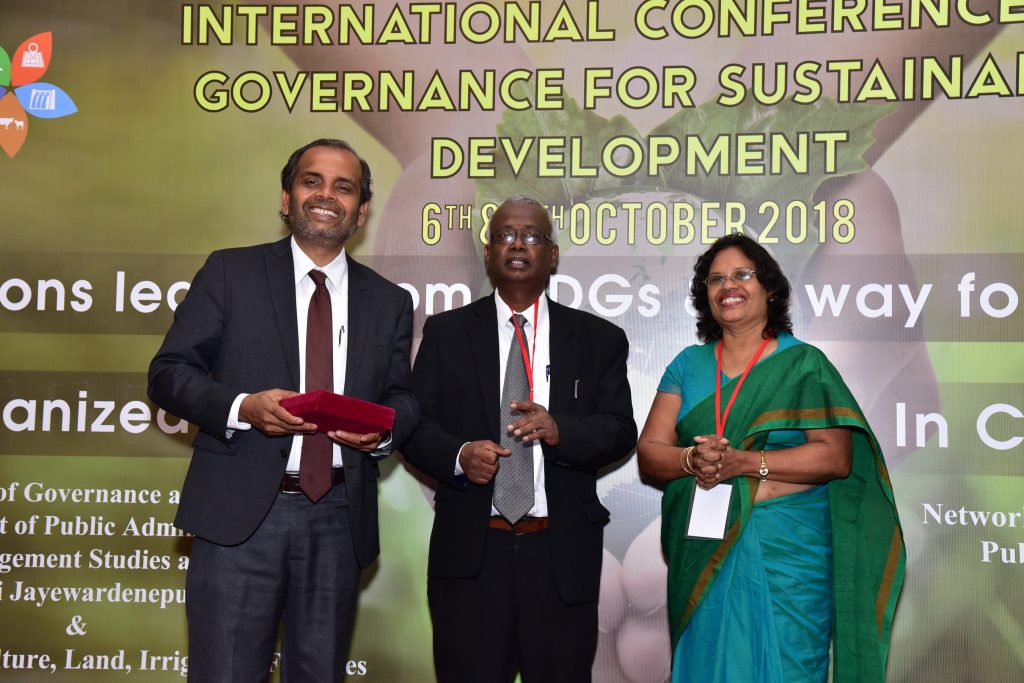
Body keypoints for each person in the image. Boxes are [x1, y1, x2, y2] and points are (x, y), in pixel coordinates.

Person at [147, 138, 418, 682]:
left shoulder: (389, 301)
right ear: (286, 198)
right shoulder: (230, 272)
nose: (326, 195)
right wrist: (243, 407)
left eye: (344, 187)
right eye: (312, 181)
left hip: (338, 519)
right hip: (239, 517)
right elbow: (169, 372)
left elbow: (401, 397)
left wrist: (383, 434)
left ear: (362, 210)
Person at [636, 233, 905, 682]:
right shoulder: (687, 365)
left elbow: (835, 458)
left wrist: (743, 463)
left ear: (770, 289)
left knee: (788, 667)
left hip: (789, 555)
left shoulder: (803, 364)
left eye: (742, 274)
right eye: (715, 279)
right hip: (705, 551)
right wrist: (692, 461)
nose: (728, 286)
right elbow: (650, 452)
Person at [402, 196, 638, 683]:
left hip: (559, 556)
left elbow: (620, 430)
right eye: (505, 235)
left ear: (552, 255)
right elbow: (414, 427)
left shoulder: (598, 339)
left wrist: (561, 430)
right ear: (488, 253)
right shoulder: (445, 333)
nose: (517, 244)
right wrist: (459, 455)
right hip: (471, 555)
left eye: (532, 236)